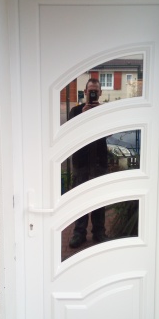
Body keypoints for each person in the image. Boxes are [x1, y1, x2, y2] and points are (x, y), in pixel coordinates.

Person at [68, 78, 108, 248]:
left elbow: (108, 133)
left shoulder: (105, 111)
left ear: (100, 93)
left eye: (96, 91)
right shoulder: (76, 111)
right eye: (90, 91)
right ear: (85, 92)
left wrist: (101, 115)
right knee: (80, 200)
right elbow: (70, 135)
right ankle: (79, 234)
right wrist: (83, 117)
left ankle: (99, 232)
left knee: (99, 199)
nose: (93, 93)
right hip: (81, 162)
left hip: (99, 161)